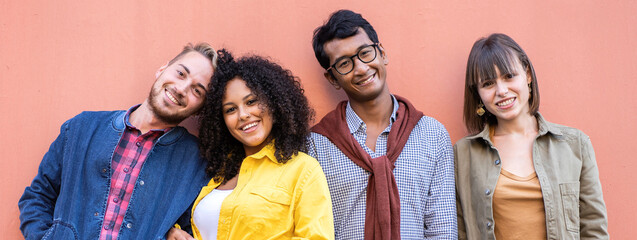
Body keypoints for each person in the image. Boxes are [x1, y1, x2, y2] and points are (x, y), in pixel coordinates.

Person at [18, 43, 217, 240]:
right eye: (181, 74)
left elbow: (192, 227)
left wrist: (171, 232)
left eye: (197, 91)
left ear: (200, 109)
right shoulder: (81, 129)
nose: (182, 89)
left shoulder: (196, 164)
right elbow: (37, 197)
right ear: (162, 69)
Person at [308, 9, 456, 239]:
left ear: (382, 53)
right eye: (344, 63)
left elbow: (442, 229)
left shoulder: (431, 134)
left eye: (365, 53)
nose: (361, 68)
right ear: (332, 79)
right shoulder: (316, 146)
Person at [167, 50, 334, 240]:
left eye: (251, 101)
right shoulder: (215, 174)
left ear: (273, 102)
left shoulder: (303, 170)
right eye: (230, 109)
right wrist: (175, 231)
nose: (243, 115)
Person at [455, 33, 609, 239]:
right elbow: (459, 231)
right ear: (478, 93)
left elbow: (594, 229)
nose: (501, 91)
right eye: (488, 84)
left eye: (509, 76)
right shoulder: (463, 154)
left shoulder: (575, 145)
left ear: (527, 75)